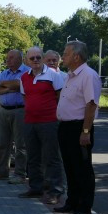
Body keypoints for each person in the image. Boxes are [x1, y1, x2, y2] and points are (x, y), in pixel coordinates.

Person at [55, 40, 101, 214]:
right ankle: (72, 202)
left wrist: (86, 131)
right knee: (70, 166)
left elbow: (91, 105)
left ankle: (84, 207)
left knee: (82, 168)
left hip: (79, 127)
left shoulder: (88, 75)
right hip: (65, 126)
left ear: (76, 56)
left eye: (65, 53)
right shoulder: (70, 75)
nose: (63, 56)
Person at [19, 47, 66, 205]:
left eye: (38, 57)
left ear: (42, 58)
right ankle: (35, 187)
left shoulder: (53, 75)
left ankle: (55, 191)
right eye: (32, 58)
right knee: (32, 156)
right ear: (27, 61)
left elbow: (60, 96)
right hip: (30, 121)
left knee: (51, 157)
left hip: (49, 121)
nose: (35, 60)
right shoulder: (24, 77)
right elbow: (25, 97)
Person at [0, 49, 29, 183]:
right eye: (7, 58)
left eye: (11, 58)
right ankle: (2, 171)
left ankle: (20, 174)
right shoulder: (5, 73)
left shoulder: (26, 71)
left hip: (20, 110)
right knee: (3, 143)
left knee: (20, 145)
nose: (8, 60)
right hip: (4, 110)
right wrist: (10, 87)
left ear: (20, 59)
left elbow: (20, 84)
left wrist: (8, 86)